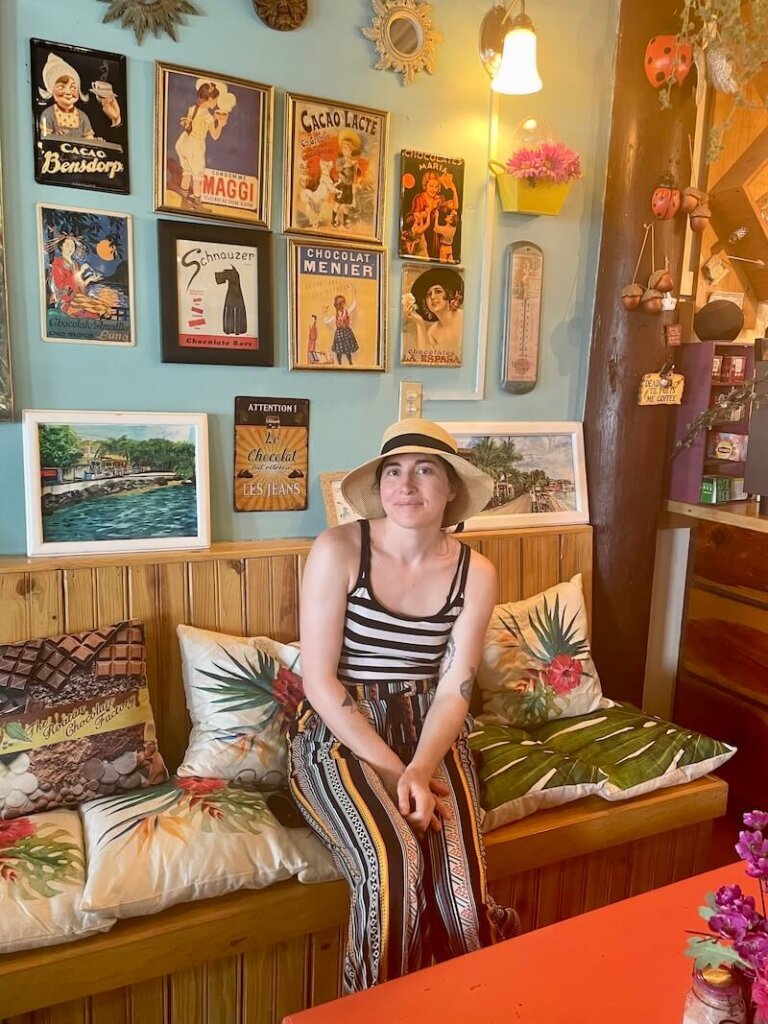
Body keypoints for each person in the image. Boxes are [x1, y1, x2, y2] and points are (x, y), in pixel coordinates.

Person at [288, 419, 518, 993]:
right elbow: (318, 681)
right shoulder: (339, 549)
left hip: (430, 732)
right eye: (393, 470)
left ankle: (477, 1003)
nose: (405, 483)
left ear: (450, 491)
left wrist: (420, 767)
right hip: (340, 732)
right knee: (394, 864)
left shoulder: (476, 572)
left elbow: (454, 689)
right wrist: (398, 773)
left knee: (464, 898)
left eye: (425, 470)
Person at [174, 78, 233, 211]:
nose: (216, 103)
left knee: (187, 174)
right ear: (210, 100)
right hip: (195, 147)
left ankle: (183, 202)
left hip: (184, 142)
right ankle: (198, 204)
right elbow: (215, 135)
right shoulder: (206, 115)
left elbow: (197, 122)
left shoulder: (192, 108)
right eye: (215, 100)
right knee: (197, 179)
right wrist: (221, 124)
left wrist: (213, 118)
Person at [38, 52, 122, 141]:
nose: (68, 92)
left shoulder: (82, 116)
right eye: (61, 87)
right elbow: (43, 139)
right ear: (51, 90)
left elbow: (89, 139)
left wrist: (96, 142)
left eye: (73, 87)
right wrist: (55, 136)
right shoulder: (48, 114)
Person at [405, 267, 464, 357]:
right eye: (428, 294)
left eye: (438, 291)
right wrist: (419, 323)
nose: (432, 297)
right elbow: (428, 357)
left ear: (449, 294)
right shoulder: (432, 332)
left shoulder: (463, 318)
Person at [324, 290, 359, 366]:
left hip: (347, 333)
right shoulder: (335, 316)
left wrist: (354, 292)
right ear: (339, 305)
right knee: (339, 351)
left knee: (348, 350)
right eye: (343, 303)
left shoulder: (347, 311)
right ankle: (339, 364)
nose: (344, 304)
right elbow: (326, 321)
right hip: (339, 334)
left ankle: (350, 363)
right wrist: (325, 313)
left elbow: (354, 304)